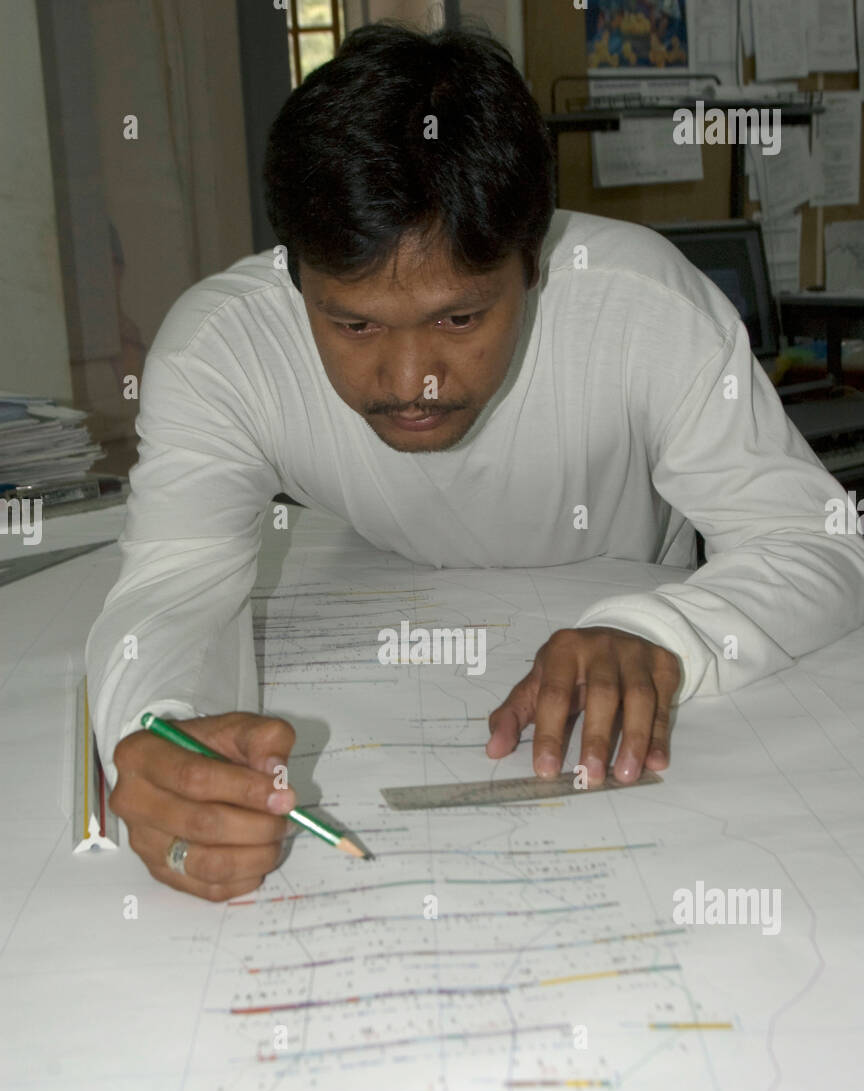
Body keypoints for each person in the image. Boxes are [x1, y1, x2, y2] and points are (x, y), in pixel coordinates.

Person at [86, 22, 864, 901]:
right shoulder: (222, 348)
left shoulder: (646, 307)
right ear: (293, 275)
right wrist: (159, 732)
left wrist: (664, 635)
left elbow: (823, 541)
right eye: (355, 325)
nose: (410, 379)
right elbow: (173, 584)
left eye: (460, 320)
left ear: (536, 263)